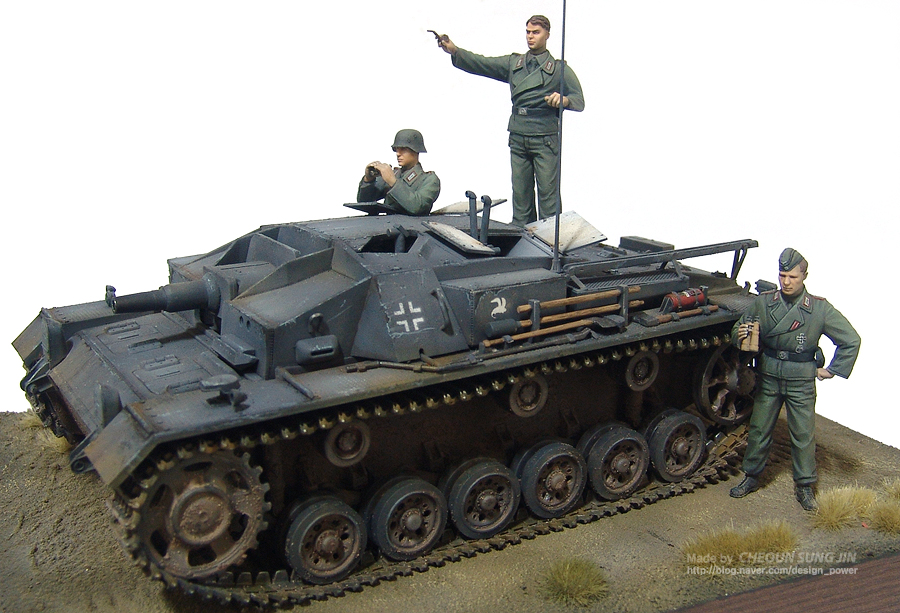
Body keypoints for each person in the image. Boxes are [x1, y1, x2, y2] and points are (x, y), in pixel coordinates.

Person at [729, 248, 861, 511]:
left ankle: (805, 485)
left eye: (792, 276)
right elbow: (738, 330)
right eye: (782, 275)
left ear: (804, 276)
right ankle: (751, 476)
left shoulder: (819, 309)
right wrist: (740, 334)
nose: (786, 282)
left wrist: (832, 370)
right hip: (769, 376)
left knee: (802, 434)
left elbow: (851, 340)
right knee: (759, 429)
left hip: (800, 379)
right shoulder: (764, 303)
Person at [436, 15, 584, 226]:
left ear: (547, 35)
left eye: (536, 32)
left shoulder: (558, 69)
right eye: (528, 32)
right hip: (518, 134)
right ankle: (523, 231)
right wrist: (455, 51)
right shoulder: (515, 64)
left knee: (548, 196)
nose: (530, 37)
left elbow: (579, 100)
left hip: (544, 137)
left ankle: (550, 236)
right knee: (521, 193)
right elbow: (483, 63)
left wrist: (564, 100)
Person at [357, 129, 441, 216]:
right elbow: (364, 201)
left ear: (415, 150)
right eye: (396, 149)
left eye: (403, 149)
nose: (398, 153)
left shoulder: (429, 180)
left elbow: (418, 206)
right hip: (386, 223)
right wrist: (368, 180)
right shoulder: (394, 174)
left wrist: (393, 182)